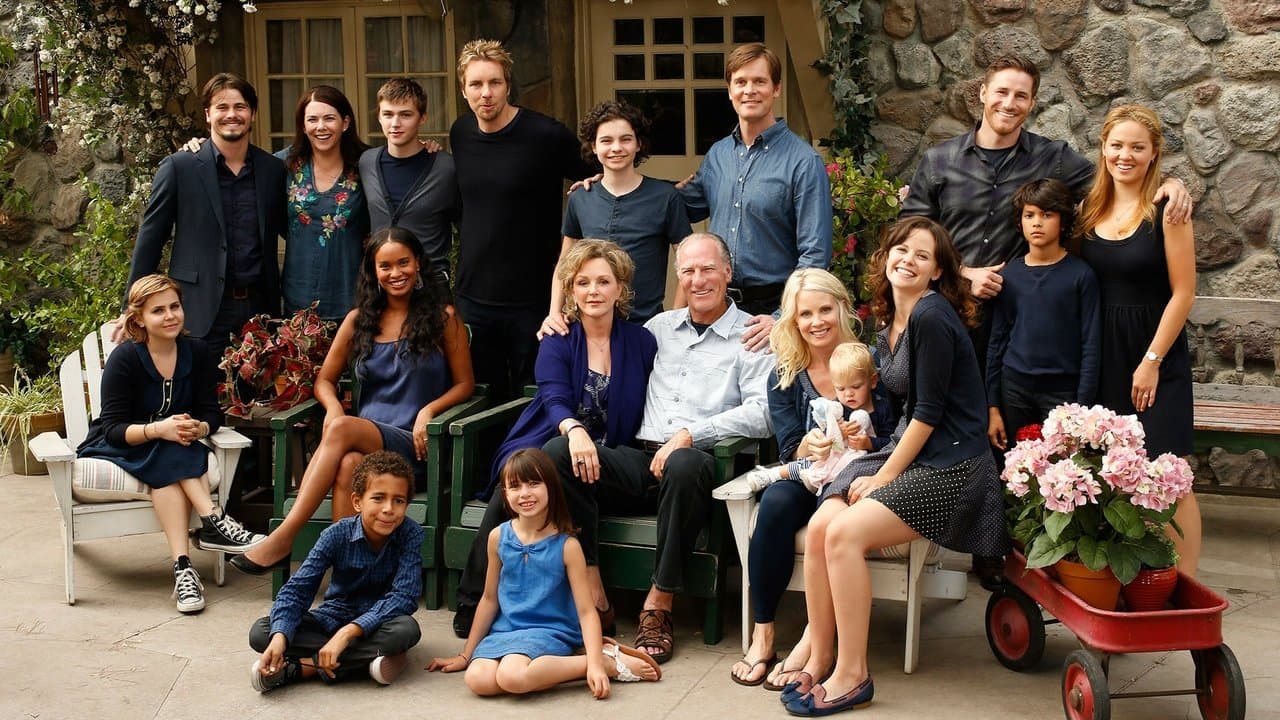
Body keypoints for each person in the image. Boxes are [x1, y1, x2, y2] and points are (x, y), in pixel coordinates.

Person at [898, 52, 1190, 584]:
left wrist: (1169, 184)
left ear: (1032, 104)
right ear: (982, 94)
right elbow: (911, 233)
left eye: (1021, 96)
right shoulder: (939, 161)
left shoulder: (1053, 159)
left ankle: (1007, 557)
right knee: (957, 428)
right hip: (953, 317)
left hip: (1021, 322)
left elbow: (1119, 171)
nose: (1009, 103)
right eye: (1001, 91)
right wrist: (962, 272)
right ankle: (936, 536)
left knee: (1014, 440)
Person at [779, 217, 1009, 715]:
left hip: (952, 465)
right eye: (901, 249)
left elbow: (928, 414)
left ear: (938, 271)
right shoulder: (892, 321)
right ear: (885, 257)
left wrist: (882, 477)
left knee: (844, 535)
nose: (908, 260)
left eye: (923, 255)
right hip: (911, 448)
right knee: (821, 526)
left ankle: (853, 674)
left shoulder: (932, 315)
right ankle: (819, 654)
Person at [553, 232, 773, 664]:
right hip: (639, 457)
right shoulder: (658, 329)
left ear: (728, 272)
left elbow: (763, 413)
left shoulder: (751, 335)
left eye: (708, 269)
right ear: (679, 277)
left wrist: (691, 434)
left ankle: (660, 602)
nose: (698, 280)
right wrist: (557, 322)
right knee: (558, 453)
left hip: (701, 467)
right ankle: (594, 590)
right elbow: (599, 345)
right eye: (688, 271)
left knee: (685, 462)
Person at [231, 227, 475, 574]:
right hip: (365, 444)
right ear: (374, 272)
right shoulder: (359, 321)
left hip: (418, 445)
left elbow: (465, 384)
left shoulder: (443, 318)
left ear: (418, 263)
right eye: (385, 266)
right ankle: (350, 576)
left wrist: (429, 410)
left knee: (343, 429)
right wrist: (332, 406)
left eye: (403, 263)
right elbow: (324, 380)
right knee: (348, 463)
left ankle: (284, 537)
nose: (396, 273)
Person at [452, 240, 657, 639]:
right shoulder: (558, 339)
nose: (593, 291)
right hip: (556, 443)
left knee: (544, 467)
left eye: (603, 281)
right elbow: (553, 396)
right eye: (583, 283)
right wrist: (575, 431)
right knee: (522, 477)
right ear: (570, 290)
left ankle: (585, 588)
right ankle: (474, 598)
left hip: (611, 460)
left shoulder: (642, 342)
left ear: (620, 288)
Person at [727, 270, 895, 687]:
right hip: (811, 470)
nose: (817, 321)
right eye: (806, 314)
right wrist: (809, 443)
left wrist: (866, 439)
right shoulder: (784, 374)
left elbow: (893, 428)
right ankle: (763, 633)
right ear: (793, 320)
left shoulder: (870, 361)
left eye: (825, 310)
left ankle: (811, 638)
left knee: (831, 507)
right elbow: (789, 448)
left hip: (861, 471)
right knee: (775, 503)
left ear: (842, 308)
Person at [78, 274, 265, 614]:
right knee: (172, 444)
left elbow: (211, 413)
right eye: (158, 310)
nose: (170, 316)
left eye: (174, 306)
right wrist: (157, 430)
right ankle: (214, 520)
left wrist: (199, 427)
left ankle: (183, 568)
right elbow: (113, 429)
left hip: (172, 449)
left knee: (173, 452)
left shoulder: (197, 351)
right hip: (124, 444)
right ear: (138, 319)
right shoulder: (125, 358)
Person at [1076, 104, 1201, 575]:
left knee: (1169, 474)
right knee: (1113, 473)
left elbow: (1184, 293)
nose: (1124, 155)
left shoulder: (1168, 210)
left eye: (1136, 147)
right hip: (1103, 354)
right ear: (1103, 148)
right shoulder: (1088, 209)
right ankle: (1128, 579)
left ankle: (1186, 587)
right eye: (1116, 145)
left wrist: (1151, 361)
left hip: (1154, 354)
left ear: (1153, 154)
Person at [428, 449, 661, 698]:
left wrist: (594, 665)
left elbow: (585, 611)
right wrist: (466, 655)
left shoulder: (567, 546)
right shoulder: (498, 537)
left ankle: (602, 662)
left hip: (551, 630)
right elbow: (489, 599)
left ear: (551, 487)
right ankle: (569, 666)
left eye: (534, 483)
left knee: (511, 676)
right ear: (505, 493)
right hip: (507, 630)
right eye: (515, 486)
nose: (525, 493)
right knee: (478, 680)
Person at [450, 38, 594, 402]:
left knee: (533, 397)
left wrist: (591, 182)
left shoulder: (545, 135)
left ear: (508, 85)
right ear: (463, 90)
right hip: (473, 297)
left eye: (494, 82)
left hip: (533, 300)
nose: (486, 93)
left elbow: (602, 174)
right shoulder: (460, 133)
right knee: (480, 401)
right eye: (476, 84)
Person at [120, 73, 287, 360]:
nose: (231, 114)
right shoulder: (180, 167)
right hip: (199, 310)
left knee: (258, 390)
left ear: (253, 114)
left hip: (260, 311)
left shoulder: (273, 170)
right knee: (199, 388)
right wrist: (130, 308)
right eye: (222, 107)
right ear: (208, 115)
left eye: (240, 107)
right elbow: (151, 238)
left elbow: (292, 229)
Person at [678, 42, 832, 351]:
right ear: (730, 90)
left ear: (776, 89)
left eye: (759, 81)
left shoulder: (803, 162)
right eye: (741, 82)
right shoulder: (718, 155)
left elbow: (815, 257)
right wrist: (616, 179)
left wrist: (782, 318)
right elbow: (680, 207)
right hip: (717, 307)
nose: (749, 90)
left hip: (771, 313)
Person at [248, 451, 424, 691]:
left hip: (379, 623)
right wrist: (280, 637)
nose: (388, 509)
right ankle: (374, 660)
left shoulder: (410, 534)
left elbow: (405, 596)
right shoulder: (336, 534)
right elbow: (297, 590)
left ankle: (302, 668)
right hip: (332, 618)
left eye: (399, 501)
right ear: (357, 502)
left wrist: (347, 633)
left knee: (406, 630)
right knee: (262, 632)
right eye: (378, 498)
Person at [541, 100, 691, 334]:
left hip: (647, 326)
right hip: (590, 325)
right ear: (593, 146)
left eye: (626, 139)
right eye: (606, 141)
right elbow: (564, 261)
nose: (616, 148)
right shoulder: (581, 198)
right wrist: (554, 312)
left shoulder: (665, 197)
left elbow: (687, 264)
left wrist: (674, 319)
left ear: (639, 144)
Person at [986, 178, 1101, 449]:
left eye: (1047, 215)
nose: (1037, 223)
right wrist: (993, 407)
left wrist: (1082, 409)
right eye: (1030, 215)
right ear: (1020, 221)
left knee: (1062, 467)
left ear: (1063, 221)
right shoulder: (1010, 275)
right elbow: (997, 341)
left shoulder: (1081, 275)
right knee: (1017, 465)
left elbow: (1092, 344)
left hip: (1063, 394)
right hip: (1014, 390)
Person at [742, 341, 893, 495]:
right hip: (831, 458)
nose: (848, 394)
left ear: (873, 381)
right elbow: (822, 434)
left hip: (862, 465)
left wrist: (869, 443)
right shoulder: (838, 409)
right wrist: (836, 433)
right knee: (810, 464)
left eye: (856, 387)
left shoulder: (883, 409)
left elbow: (892, 442)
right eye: (840, 389)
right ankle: (772, 475)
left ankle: (813, 478)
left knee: (825, 469)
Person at [360, 77, 459, 299]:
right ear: (379, 117)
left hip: (431, 288)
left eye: (405, 115)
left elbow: (465, 228)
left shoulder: (446, 168)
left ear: (422, 118)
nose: (395, 123)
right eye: (388, 114)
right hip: (380, 287)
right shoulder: (366, 162)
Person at [278, 85, 370, 321]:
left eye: (329, 118)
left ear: (345, 122)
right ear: (303, 125)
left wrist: (425, 147)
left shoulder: (368, 164)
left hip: (353, 300)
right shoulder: (283, 165)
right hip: (298, 300)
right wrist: (198, 147)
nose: (321, 127)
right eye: (312, 119)